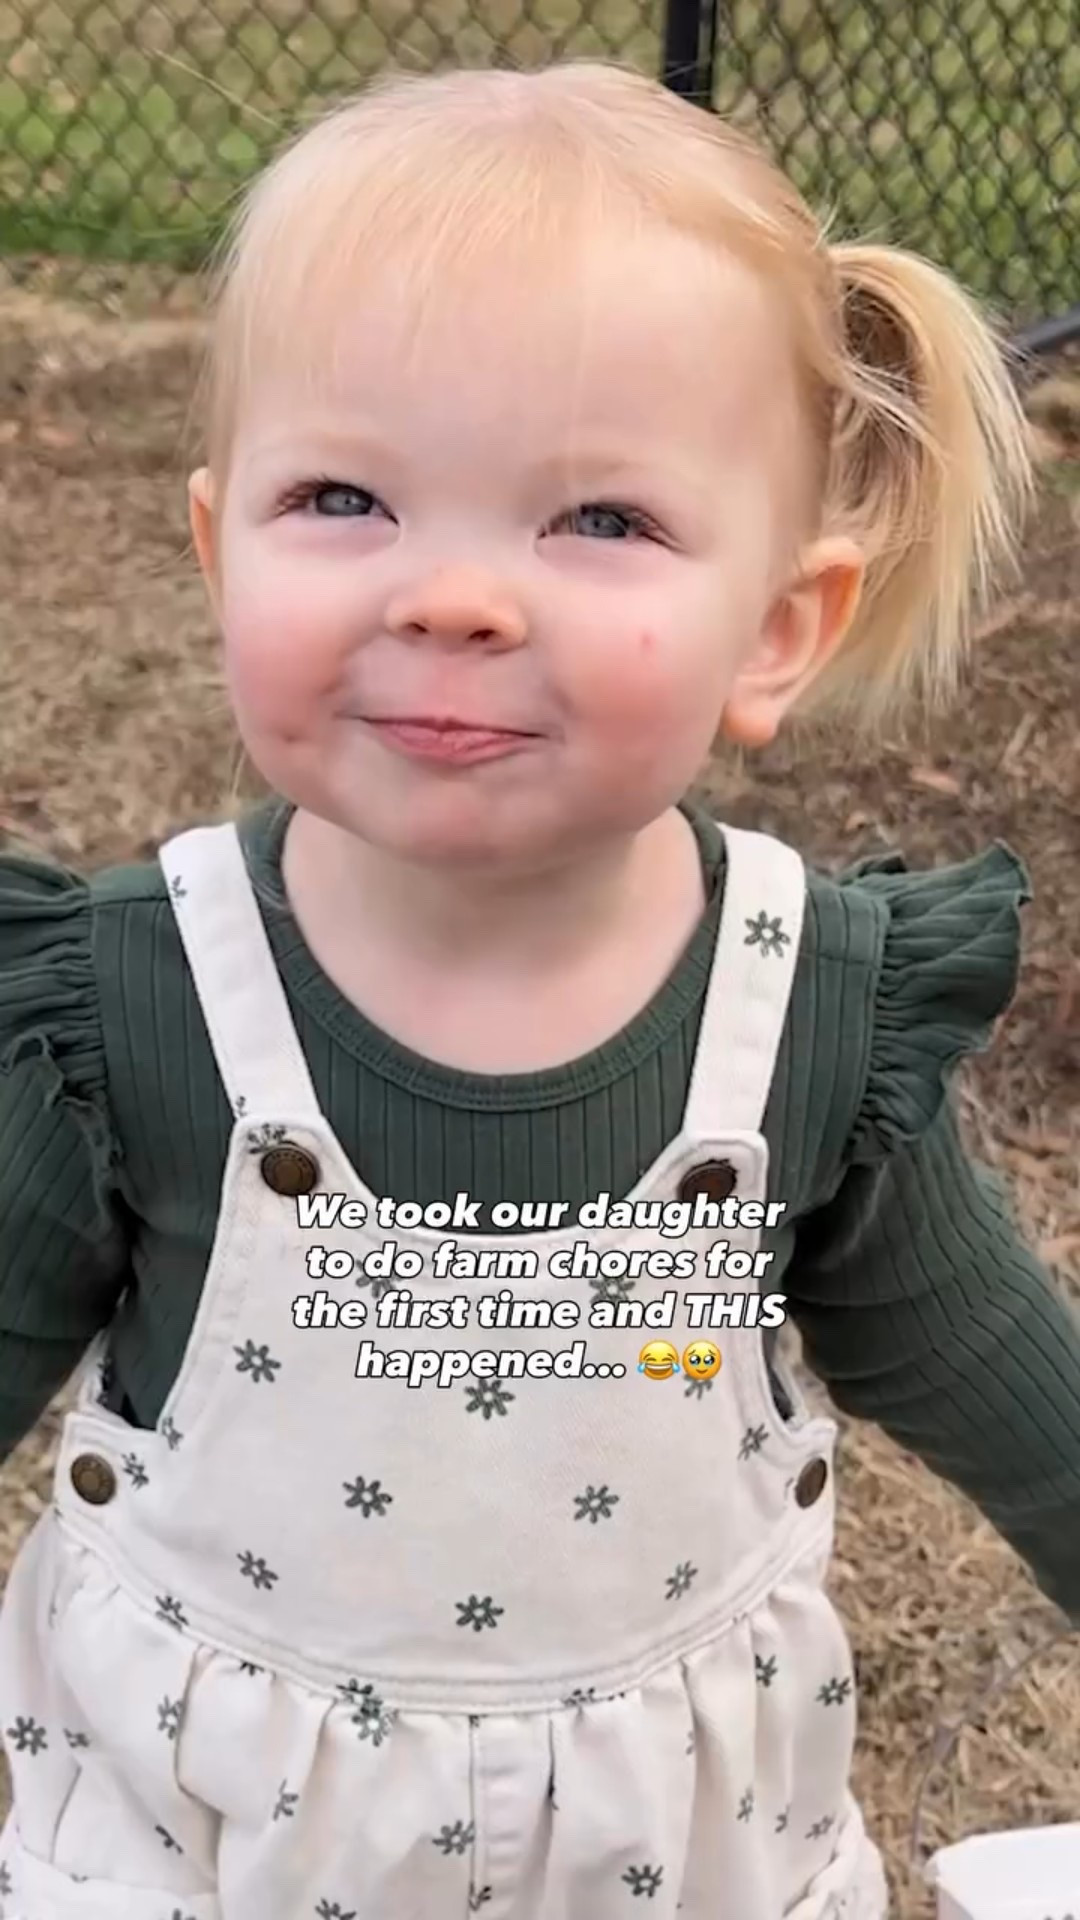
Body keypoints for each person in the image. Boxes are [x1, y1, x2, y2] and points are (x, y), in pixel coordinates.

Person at [0, 57, 1077, 1920]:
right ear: (214, 547)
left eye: (597, 523)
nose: (455, 598)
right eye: (342, 495)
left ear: (778, 628)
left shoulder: (808, 1014)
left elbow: (1000, 1381)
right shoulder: (130, 1008)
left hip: (662, 1850)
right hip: (213, 1842)